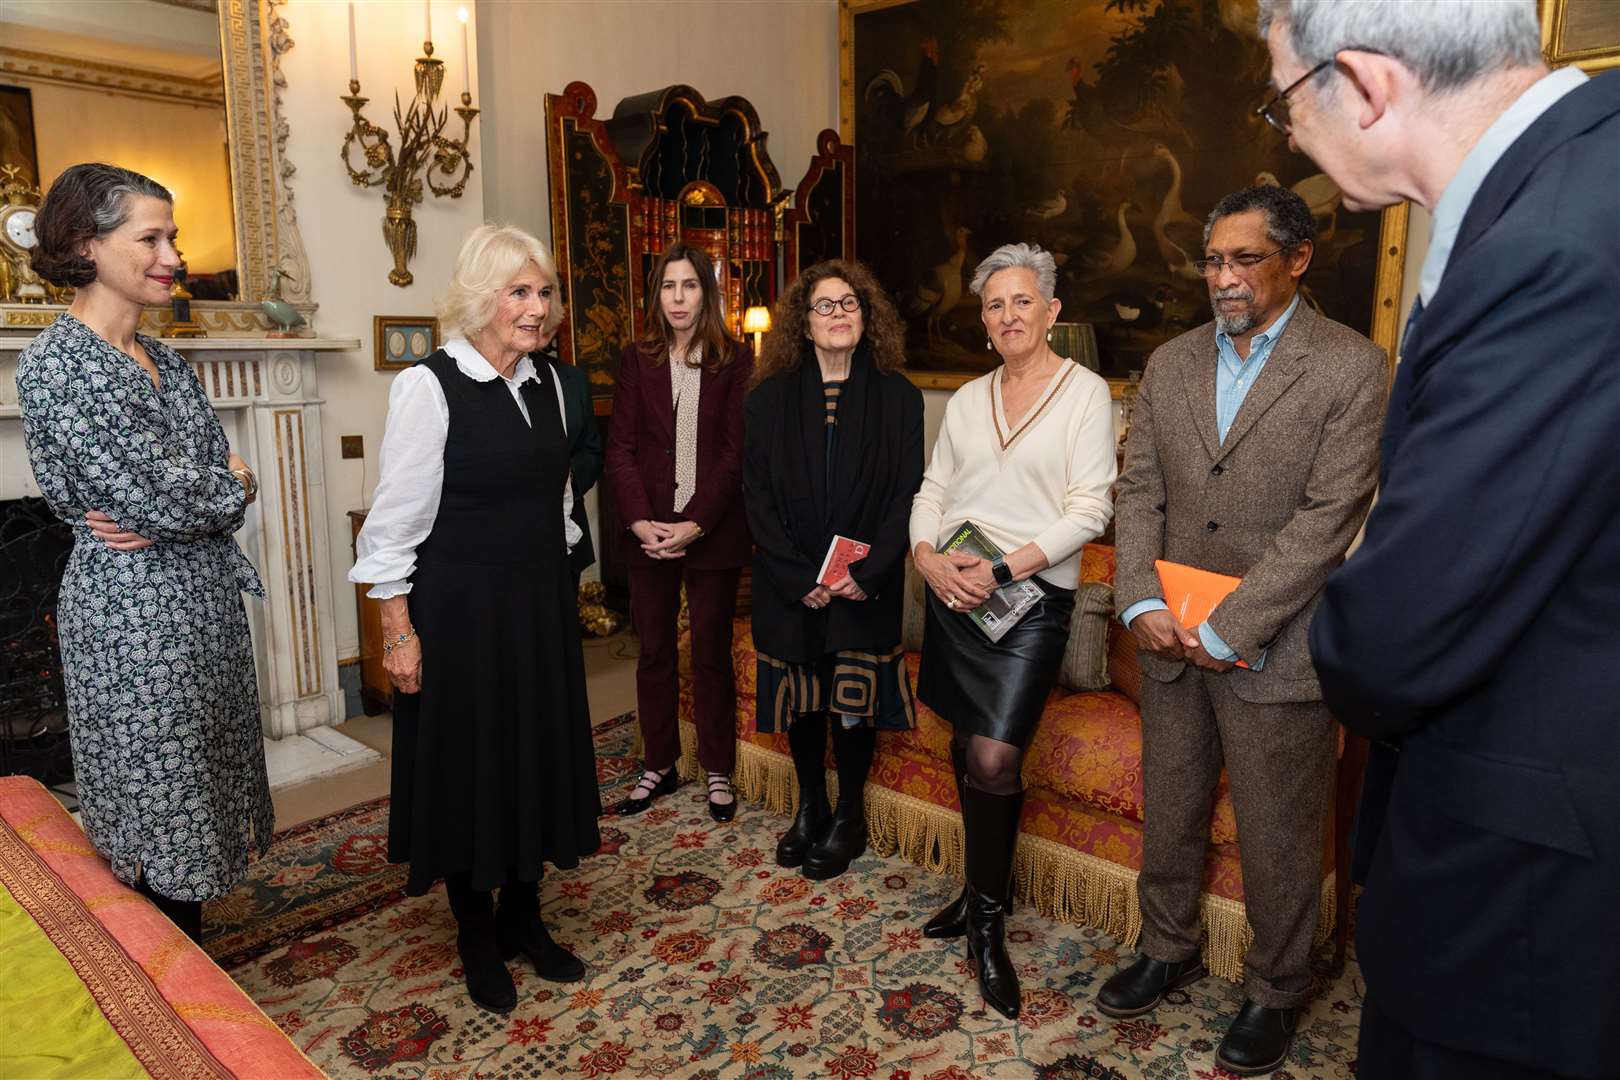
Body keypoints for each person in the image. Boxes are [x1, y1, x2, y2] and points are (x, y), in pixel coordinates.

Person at [1258, 2, 1620, 1076]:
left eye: (1282, 102)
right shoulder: (1583, 173)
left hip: (1522, 894)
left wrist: (1350, 595)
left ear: (1366, 86)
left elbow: (1390, 639)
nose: (1285, 135)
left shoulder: (1550, 248)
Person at [1100, 184, 1387, 1075]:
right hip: (1168, 646)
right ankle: (1167, 945)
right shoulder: (1172, 361)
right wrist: (1141, 601)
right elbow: (1139, 487)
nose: (1222, 278)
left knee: (1278, 833)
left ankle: (1275, 988)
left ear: (1296, 259)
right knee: (1172, 811)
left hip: (1279, 650)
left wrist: (1230, 624)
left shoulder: (1352, 367)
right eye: (1212, 261)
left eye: (1243, 259)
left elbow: (1328, 517)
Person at [350, 224, 600, 1013]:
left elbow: (559, 500)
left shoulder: (558, 385)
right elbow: (394, 523)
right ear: (479, 298)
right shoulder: (429, 385)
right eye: (518, 292)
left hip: (538, 606)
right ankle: (475, 931)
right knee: (471, 765)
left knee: (534, 755)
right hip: (458, 612)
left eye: (545, 292)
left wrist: (558, 582)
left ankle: (527, 916)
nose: (538, 308)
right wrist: (398, 627)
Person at [17, 163, 270, 943]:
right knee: (159, 805)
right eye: (150, 238)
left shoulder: (174, 362)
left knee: (204, 787)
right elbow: (169, 497)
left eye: (174, 237)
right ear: (88, 246)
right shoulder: (57, 366)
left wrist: (218, 485)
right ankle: (169, 992)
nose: (173, 256)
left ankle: (192, 962)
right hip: (135, 621)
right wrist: (226, 487)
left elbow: (199, 482)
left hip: (201, 608)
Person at [910, 242, 1115, 1019]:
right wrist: (926, 556)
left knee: (995, 755)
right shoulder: (966, 400)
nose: (1007, 316)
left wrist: (1001, 572)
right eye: (994, 305)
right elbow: (934, 489)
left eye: (1021, 301)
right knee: (965, 742)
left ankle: (987, 932)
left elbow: (1090, 511)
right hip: (954, 592)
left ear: (1052, 312)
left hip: (1029, 602)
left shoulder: (1087, 394)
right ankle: (975, 896)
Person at [743, 259, 924, 880]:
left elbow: (907, 494)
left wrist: (863, 575)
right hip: (790, 583)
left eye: (850, 303)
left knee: (851, 702)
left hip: (861, 585)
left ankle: (849, 813)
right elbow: (757, 496)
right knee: (802, 701)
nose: (838, 314)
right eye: (825, 305)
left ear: (866, 316)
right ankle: (810, 805)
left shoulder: (898, 395)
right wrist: (802, 578)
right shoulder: (767, 399)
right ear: (804, 321)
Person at [604, 242, 752, 823]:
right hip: (647, 534)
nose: (679, 298)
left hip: (710, 531)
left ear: (706, 294)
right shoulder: (635, 358)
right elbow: (621, 448)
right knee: (655, 654)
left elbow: (734, 455)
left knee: (711, 654)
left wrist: (693, 524)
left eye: (690, 286)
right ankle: (657, 764)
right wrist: (642, 520)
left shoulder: (734, 360)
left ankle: (719, 770)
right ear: (655, 295)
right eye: (669, 286)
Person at [532, 299, 603, 588]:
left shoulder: (572, 378)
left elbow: (593, 449)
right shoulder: (496, 378)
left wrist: (569, 475)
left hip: (567, 522)